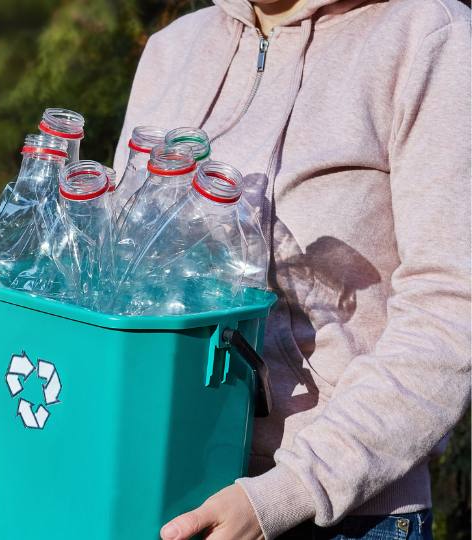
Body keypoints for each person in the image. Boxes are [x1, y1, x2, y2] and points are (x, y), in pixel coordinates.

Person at [111, 0, 471, 538]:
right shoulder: (175, 49)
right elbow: (118, 277)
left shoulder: (425, 34)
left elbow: (451, 308)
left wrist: (288, 492)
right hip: (162, 490)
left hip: (343, 514)